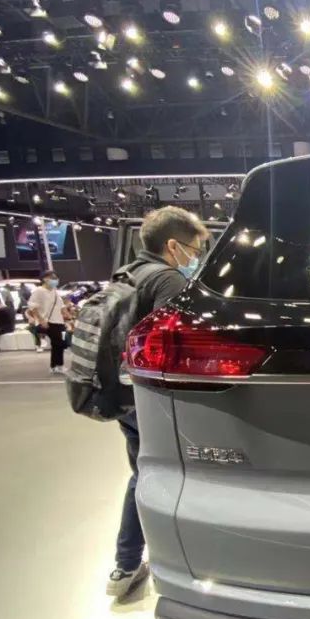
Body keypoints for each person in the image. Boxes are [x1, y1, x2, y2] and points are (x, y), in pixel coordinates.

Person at [108, 206, 211, 598]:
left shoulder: (127, 274)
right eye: (194, 249)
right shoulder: (168, 280)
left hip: (124, 392)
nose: (194, 257)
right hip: (151, 399)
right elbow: (173, 343)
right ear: (173, 246)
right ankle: (175, 566)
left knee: (142, 473)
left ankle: (125, 566)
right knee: (168, 478)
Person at [26, 270, 71, 374]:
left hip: (59, 322)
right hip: (49, 322)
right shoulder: (39, 291)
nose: (56, 280)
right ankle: (59, 365)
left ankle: (54, 366)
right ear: (45, 279)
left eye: (56, 278)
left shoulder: (54, 291)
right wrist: (41, 320)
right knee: (59, 343)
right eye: (53, 278)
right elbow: (32, 306)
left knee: (61, 343)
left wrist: (67, 315)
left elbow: (61, 305)